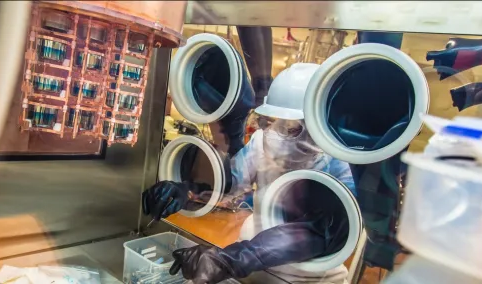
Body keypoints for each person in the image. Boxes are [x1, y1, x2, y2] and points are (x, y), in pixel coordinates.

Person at [142, 63, 356, 284]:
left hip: (309, 278)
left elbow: (319, 232)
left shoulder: (342, 165)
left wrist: (230, 259)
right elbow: (231, 182)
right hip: (251, 269)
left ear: (320, 125)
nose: (279, 134)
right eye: (274, 122)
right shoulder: (266, 139)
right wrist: (186, 190)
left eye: (293, 127)